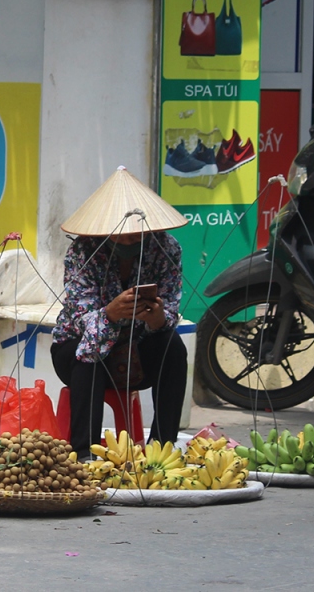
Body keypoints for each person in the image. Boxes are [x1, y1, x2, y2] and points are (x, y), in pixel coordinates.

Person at [50, 167, 189, 454]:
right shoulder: (82, 252)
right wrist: (110, 314)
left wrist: (157, 318)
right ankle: (84, 452)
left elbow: (171, 307)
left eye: (135, 235)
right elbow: (81, 317)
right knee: (89, 350)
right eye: (120, 236)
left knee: (173, 346)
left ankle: (162, 447)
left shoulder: (166, 248)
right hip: (77, 352)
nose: (128, 240)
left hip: (139, 351)